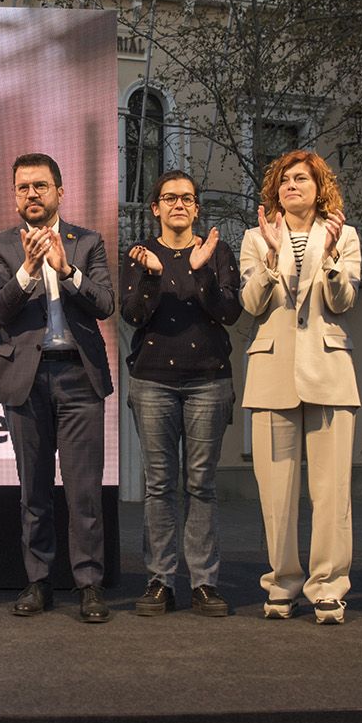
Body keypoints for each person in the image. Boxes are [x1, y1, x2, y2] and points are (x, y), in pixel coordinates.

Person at [0, 153, 116, 622]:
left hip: (79, 377)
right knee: (32, 490)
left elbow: (104, 303)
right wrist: (29, 268)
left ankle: (89, 585)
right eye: (23, 187)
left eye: (41, 186)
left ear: (60, 192)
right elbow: (0, 307)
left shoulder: (87, 242)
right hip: (25, 378)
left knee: (83, 492)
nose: (32, 194)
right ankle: (38, 581)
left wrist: (64, 269)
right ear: (15, 195)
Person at [240, 149, 361, 624]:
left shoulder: (345, 235)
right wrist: (271, 255)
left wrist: (331, 257)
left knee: (333, 492)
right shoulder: (255, 237)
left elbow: (345, 300)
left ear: (319, 188)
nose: (292, 186)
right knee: (276, 493)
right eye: (285, 180)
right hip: (271, 373)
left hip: (329, 372)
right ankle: (283, 584)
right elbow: (251, 305)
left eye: (302, 179)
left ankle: (329, 587)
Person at [121, 170, 242, 617]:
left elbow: (230, 311)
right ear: (155, 208)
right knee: (159, 486)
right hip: (153, 381)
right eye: (169, 198)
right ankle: (159, 581)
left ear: (196, 207)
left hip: (208, 380)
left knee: (201, 485)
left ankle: (205, 584)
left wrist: (201, 272)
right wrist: (154, 276)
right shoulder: (139, 254)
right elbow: (132, 314)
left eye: (187, 199)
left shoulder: (217, 252)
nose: (178, 205)